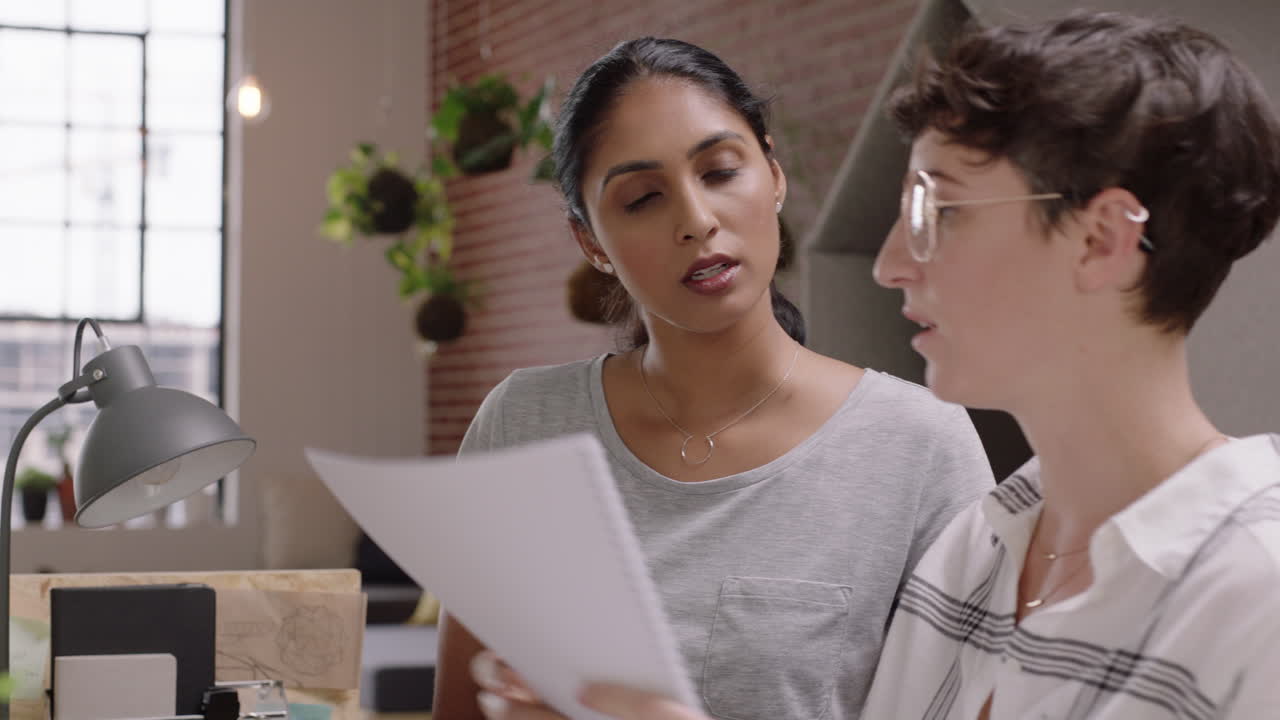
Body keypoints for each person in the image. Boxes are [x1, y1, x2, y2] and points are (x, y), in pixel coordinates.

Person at [471, 11, 1280, 720]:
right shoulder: (975, 556)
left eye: (941, 211)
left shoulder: (1257, 592)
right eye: (642, 197)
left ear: (1101, 240)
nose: (890, 263)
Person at [432, 36, 994, 720]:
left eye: (722, 171)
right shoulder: (522, 425)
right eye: (642, 199)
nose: (697, 221)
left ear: (774, 175)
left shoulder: (920, 445)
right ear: (591, 243)